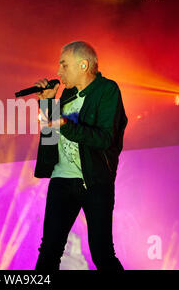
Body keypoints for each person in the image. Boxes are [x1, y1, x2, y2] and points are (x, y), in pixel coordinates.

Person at [34, 41, 127, 271]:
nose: (58, 71)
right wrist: (47, 102)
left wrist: (65, 124)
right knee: (49, 252)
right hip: (62, 180)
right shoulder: (65, 94)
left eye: (64, 65)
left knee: (102, 254)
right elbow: (50, 137)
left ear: (83, 65)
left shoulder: (107, 90)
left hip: (94, 181)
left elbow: (105, 139)